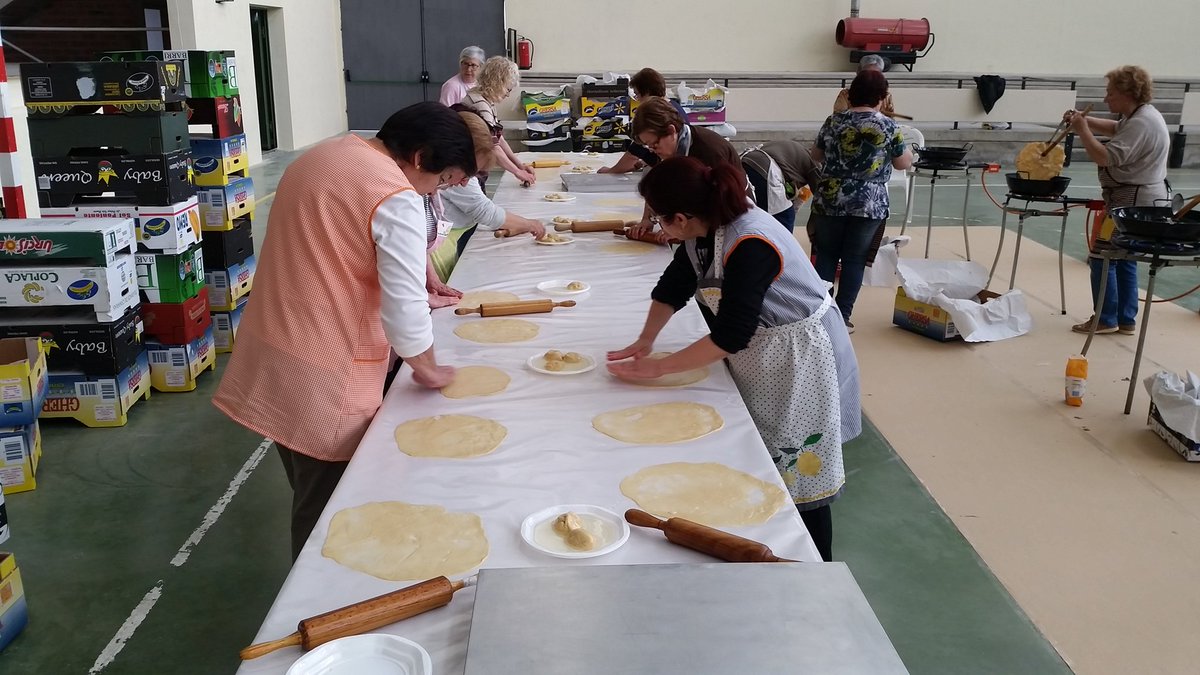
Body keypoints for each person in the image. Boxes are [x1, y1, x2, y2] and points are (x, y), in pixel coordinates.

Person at [212, 102, 480, 560]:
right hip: (324, 372)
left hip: (275, 352)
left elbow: (341, 245)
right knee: (330, 512)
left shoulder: (328, 154)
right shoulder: (393, 194)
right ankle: (318, 612)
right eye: (442, 180)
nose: (436, 190)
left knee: (305, 481)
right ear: (420, 157)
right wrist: (429, 367)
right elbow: (405, 308)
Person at [607, 157, 861, 562]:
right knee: (758, 453)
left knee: (800, 468)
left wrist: (657, 368)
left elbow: (730, 335)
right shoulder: (702, 229)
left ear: (680, 216)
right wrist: (644, 341)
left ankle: (815, 564)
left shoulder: (750, 242)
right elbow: (674, 286)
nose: (658, 227)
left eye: (659, 220)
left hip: (800, 357)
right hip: (764, 349)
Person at [1067, 65, 1170, 335]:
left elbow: (1105, 157)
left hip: (1132, 200)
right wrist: (1085, 121)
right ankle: (1125, 318)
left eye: (1110, 93)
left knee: (1102, 255)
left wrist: (1082, 130)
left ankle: (1105, 317)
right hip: (1139, 198)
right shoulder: (1139, 116)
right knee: (1125, 257)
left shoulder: (1142, 122)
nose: (1105, 99)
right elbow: (1116, 127)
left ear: (1127, 93)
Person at [810, 69, 913, 333]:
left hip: (830, 198)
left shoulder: (833, 121)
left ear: (851, 94)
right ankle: (842, 318)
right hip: (869, 203)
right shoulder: (888, 125)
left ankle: (819, 316)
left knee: (826, 256)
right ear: (882, 96)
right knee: (854, 260)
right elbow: (902, 162)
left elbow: (817, 155)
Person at [627, 96, 744, 241]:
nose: (652, 150)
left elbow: (713, 207)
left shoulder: (708, 151)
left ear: (671, 131)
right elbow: (656, 187)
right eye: (648, 146)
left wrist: (677, 230)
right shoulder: (666, 147)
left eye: (654, 144)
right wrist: (648, 219)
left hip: (729, 223)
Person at [462, 56, 536, 189]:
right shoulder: (480, 104)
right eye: (508, 89)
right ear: (498, 83)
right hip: (468, 170)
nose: (507, 95)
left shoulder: (486, 102)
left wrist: (519, 165)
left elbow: (499, 138)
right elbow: (492, 146)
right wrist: (518, 172)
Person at [599, 67, 690, 175]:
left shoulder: (655, 115)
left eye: (637, 94)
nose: (637, 100)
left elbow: (633, 155)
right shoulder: (675, 106)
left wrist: (611, 171)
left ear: (646, 92)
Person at [740, 140, 821, 233]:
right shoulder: (815, 164)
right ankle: (783, 247)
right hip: (766, 169)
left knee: (755, 217)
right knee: (785, 217)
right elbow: (822, 202)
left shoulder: (794, 151)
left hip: (744, 163)